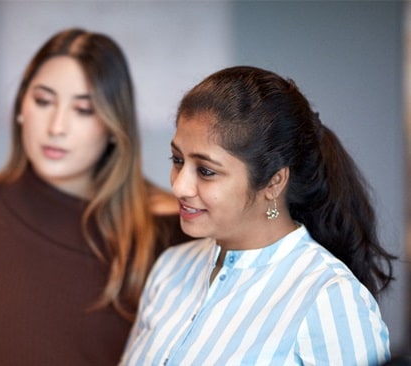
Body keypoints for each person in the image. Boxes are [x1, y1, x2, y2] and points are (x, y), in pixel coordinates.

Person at [120, 66, 396, 365]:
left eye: (206, 171)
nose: (179, 185)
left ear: (274, 182)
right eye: (177, 160)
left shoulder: (327, 297)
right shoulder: (171, 269)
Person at [0, 28, 190, 365]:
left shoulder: (172, 230)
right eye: (43, 101)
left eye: (83, 109)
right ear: (21, 108)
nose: (57, 126)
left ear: (113, 126)